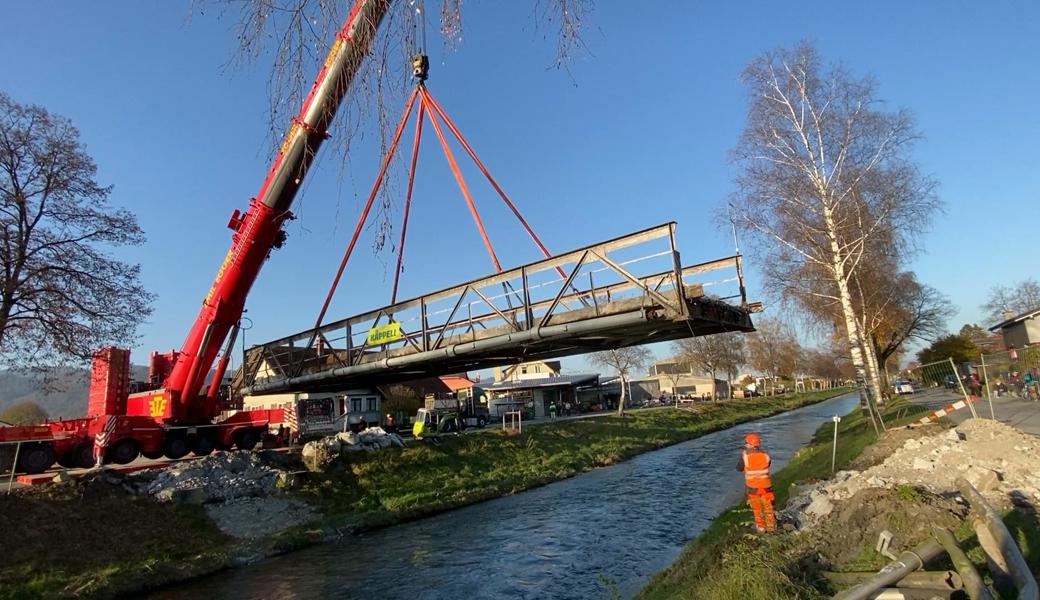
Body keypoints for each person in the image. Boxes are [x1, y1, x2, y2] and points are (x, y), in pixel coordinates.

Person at [737, 432, 776, 533]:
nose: (745, 444)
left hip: (753, 487)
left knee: (757, 509)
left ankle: (761, 528)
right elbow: (768, 465)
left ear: (749, 444)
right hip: (766, 486)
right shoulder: (765, 455)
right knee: (768, 508)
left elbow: (739, 468)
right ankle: (771, 528)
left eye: (746, 443)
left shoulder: (745, 456)